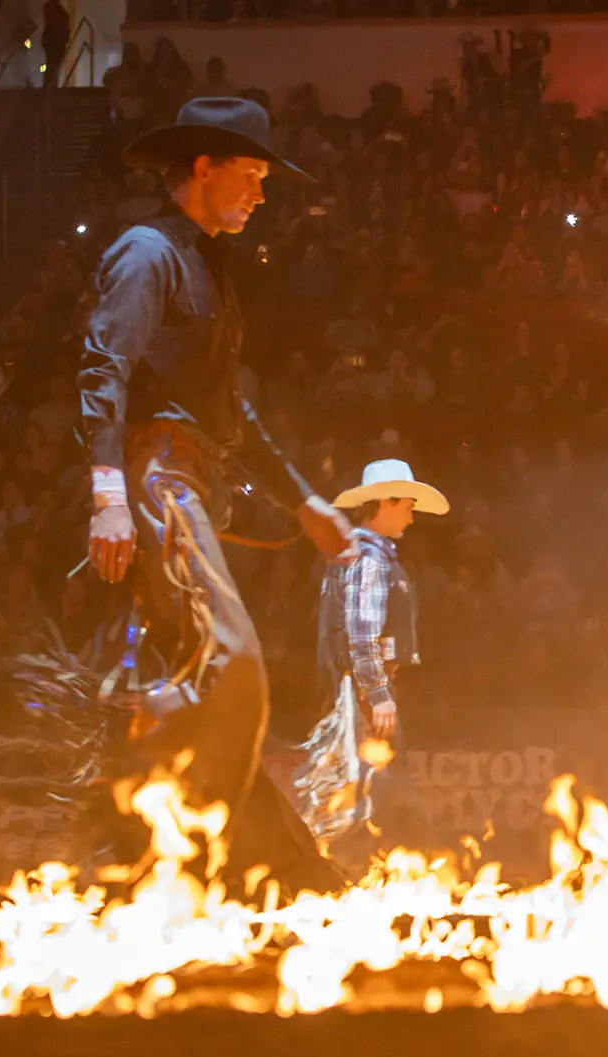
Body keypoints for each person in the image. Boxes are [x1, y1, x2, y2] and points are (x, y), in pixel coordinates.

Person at [79, 97, 357, 877]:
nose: (261, 195)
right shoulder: (148, 254)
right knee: (231, 667)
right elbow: (104, 371)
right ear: (204, 169)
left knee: (220, 677)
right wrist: (109, 496)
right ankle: (151, 812)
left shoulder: (203, 264)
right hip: (156, 478)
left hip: (184, 475)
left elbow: (230, 411)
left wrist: (301, 501)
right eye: (252, 176)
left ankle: (295, 883)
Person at [283, 460, 449, 862]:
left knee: (362, 782)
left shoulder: (361, 555)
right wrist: (376, 691)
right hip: (361, 692)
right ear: (385, 503)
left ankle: (366, 867)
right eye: (407, 505)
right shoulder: (369, 559)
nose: (411, 516)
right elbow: (362, 628)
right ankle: (369, 867)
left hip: (355, 689)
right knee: (370, 784)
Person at [42, 0, 71, 90]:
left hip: (55, 41)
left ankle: (50, 85)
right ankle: (50, 86)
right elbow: (58, 23)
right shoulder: (54, 9)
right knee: (53, 64)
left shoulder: (52, 8)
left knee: (54, 64)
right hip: (55, 41)